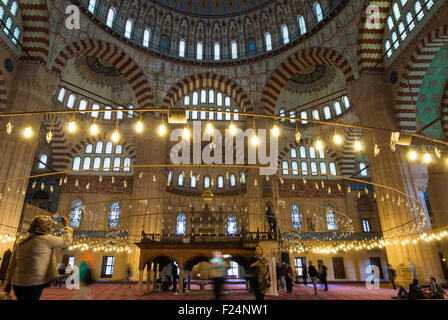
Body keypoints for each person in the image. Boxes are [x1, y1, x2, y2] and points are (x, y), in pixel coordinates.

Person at [2, 216, 73, 301]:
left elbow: (12, 264)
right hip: (33, 284)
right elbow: (67, 241)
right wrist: (67, 226)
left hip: (18, 283)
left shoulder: (21, 241)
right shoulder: (46, 239)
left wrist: (8, 282)